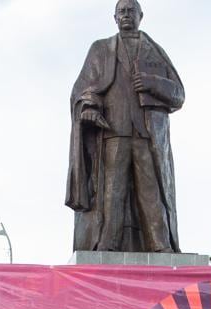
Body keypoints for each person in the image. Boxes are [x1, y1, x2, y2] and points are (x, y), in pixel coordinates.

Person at [67, 0, 184, 253]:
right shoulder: (101, 49)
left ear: (141, 15)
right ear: (115, 18)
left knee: (151, 191)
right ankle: (107, 244)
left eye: (131, 11)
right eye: (121, 12)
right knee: (112, 191)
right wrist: (89, 108)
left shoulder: (155, 51)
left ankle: (160, 245)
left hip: (147, 134)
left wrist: (152, 82)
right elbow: (83, 89)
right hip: (113, 131)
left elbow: (178, 95)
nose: (126, 15)